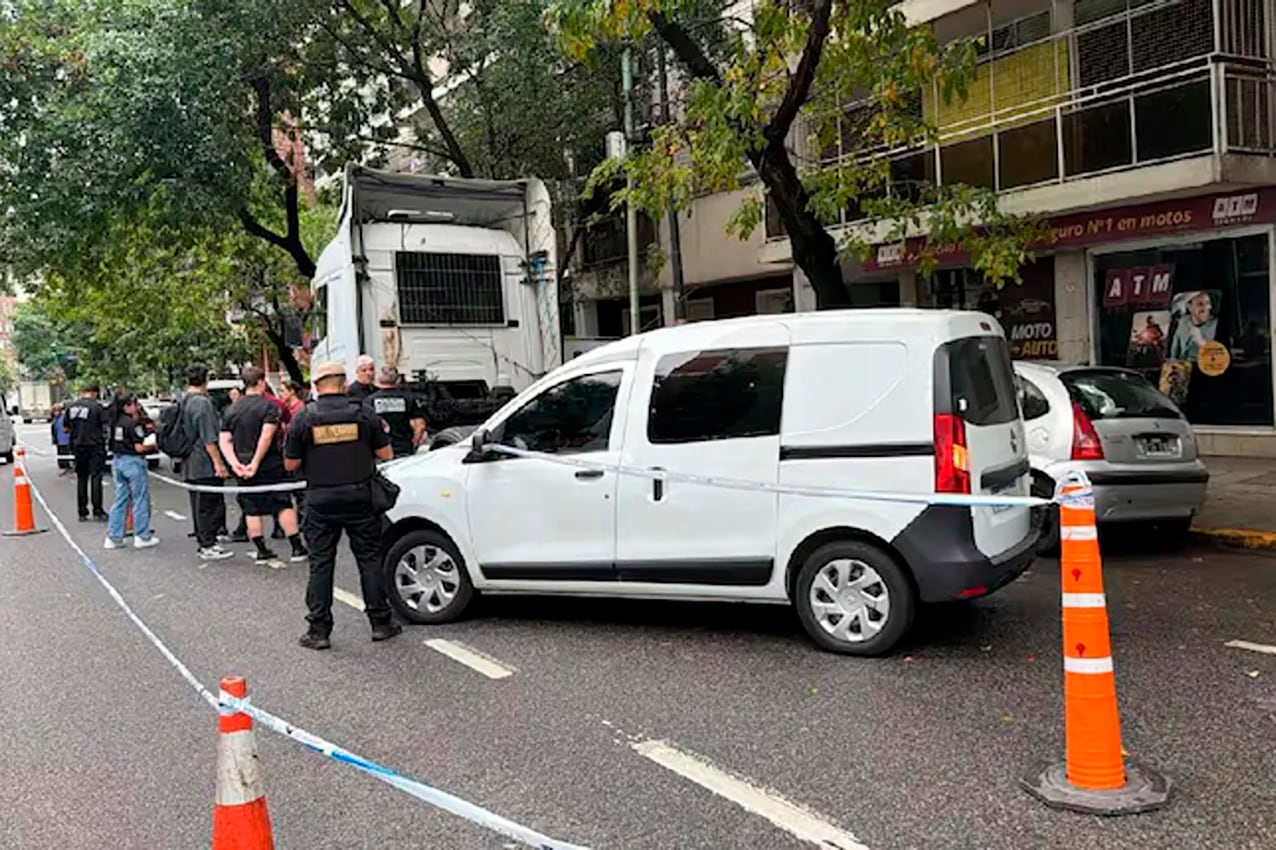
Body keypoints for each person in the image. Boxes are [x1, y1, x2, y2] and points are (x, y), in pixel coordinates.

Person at [285, 361, 399, 649]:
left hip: (321, 500)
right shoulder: (363, 413)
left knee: (321, 563)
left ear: (316, 385)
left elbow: (291, 462)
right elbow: (386, 453)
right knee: (370, 560)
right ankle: (381, 623)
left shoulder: (304, 417)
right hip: (361, 497)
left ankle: (319, 631)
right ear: (344, 382)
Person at [219, 366, 308, 565]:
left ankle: (261, 550)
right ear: (261, 381)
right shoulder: (269, 406)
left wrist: (236, 465)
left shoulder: (232, 409)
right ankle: (297, 547)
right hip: (270, 463)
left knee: (251, 508)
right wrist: (255, 462)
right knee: (282, 504)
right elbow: (266, 436)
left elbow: (224, 440)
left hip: (241, 463)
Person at [181, 365, 235, 561]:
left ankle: (205, 540)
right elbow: (209, 438)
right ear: (206, 380)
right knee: (208, 505)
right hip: (204, 462)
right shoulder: (203, 404)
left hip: (189, 461)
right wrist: (218, 463)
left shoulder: (183, 400)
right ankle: (208, 544)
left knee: (198, 504)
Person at [104, 392, 159, 550]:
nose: (137, 407)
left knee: (120, 499)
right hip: (133, 462)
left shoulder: (114, 423)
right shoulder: (132, 424)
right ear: (128, 405)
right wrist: (153, 444)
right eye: (134, 404)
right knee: (140, 498)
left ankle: (114, 536)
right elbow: (139, 446)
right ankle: (142, 535)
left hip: (117, 461)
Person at [64, 383, 109, 521]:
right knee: (96, 477)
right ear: (95, 393)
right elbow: (105, 425)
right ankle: (97, 511)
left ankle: (82, 512)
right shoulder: (97, 407)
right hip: (95, 446)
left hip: (78, 446)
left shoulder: (71, 407)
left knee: (82, 478)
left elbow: (65, 429)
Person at [363, 366, 427, 459]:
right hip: (404, 449)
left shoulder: (369, 401)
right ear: (397, 380)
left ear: (379, 380)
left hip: (380, 451)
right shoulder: (409, 399)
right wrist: (415, 442)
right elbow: (420, 425)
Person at [51, 403, 72, 475]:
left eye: (57, 410)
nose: (56, 412)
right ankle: (65, 468)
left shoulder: (63, 418)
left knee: (65, 454)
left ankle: (67, 468)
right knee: (61, 455)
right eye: (54, 411)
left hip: (65, 440)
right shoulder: (55, 419)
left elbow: (68, 427)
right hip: (59, 440)